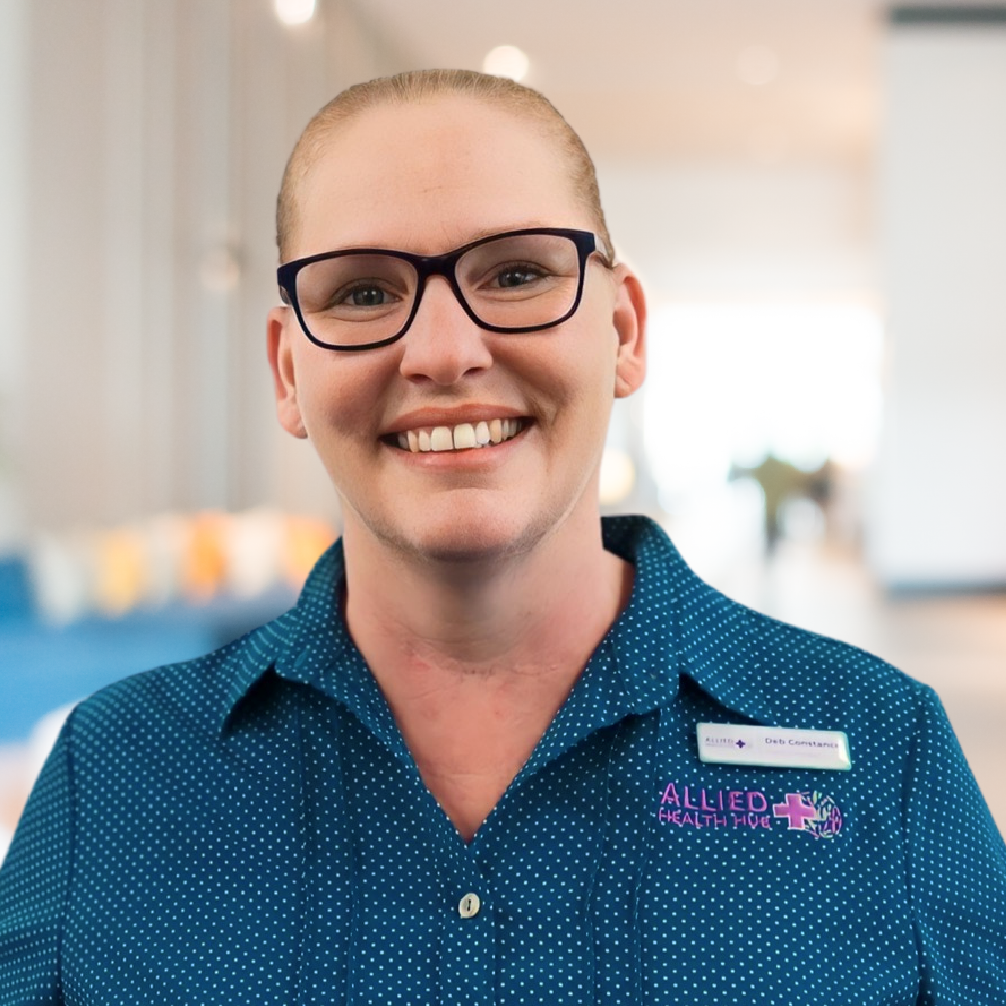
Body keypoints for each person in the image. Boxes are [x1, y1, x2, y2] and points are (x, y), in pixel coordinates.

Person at [1, 69, 1004, 1004]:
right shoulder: (117, 772)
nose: (443, 352)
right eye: (363, 293)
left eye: (517, 273)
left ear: (624, 332)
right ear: (286, 371)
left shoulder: (882, 749)